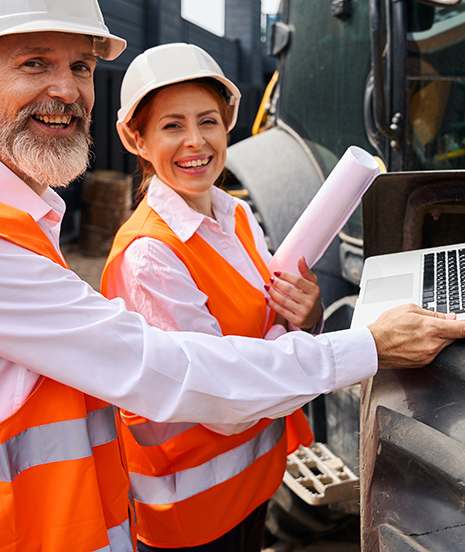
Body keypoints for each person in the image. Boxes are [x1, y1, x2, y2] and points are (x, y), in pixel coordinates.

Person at [0, 0, 465, 552]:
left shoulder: (18, 219)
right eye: (32, 63)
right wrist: (368, 346)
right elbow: (168, 370)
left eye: (80, 67)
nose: (66, 89)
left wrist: (307, 319)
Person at [102, 42, 324, 552]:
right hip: (189, 514)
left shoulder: (237, 217)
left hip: (253, 484)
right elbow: (221, 398)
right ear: (136, 139)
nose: (195, 142)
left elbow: (269, 317)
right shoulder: (149, 256)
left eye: (208, 121)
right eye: (172, 126)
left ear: (228, 127)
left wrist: (302, 314)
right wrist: (308, 345)